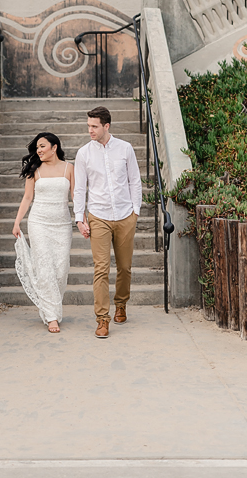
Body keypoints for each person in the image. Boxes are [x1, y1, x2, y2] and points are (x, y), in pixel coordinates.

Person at [73, 106, 143, 339]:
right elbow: (80, 188)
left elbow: (135, 180)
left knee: (124, 267)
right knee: (101, 268)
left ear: (106, 126)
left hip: (125, 215)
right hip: (98, 216)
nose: (90, 130)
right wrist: (79, 218)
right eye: (88, 126)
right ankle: (102, 319)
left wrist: (135, 210)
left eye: (94, 126)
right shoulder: (84, 153)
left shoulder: (125, 148)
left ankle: (121, 304)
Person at [12, 132, 74, 333]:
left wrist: (84, 218)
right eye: (37, 147)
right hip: (39, 222)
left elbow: (76, 197)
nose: (38, 150)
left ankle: (51, 308)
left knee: (61, 268)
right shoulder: (34, 170)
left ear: (54, 147)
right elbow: (27, 198)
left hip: (62, 224)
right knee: (45, 267)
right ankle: (51, 316)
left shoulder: (69, 168)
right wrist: (17, 222)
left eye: (42, 146)